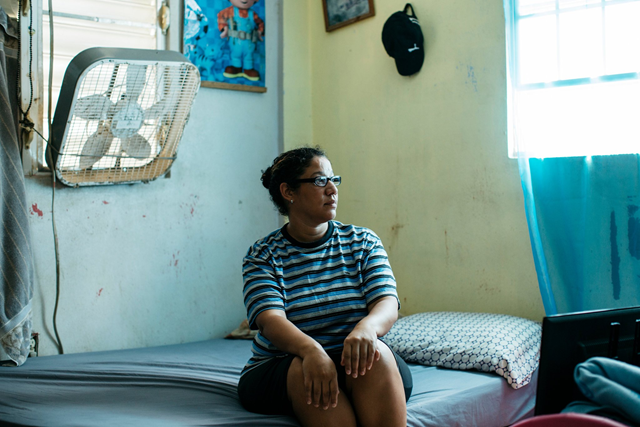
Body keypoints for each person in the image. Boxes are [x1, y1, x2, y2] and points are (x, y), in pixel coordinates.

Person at [238, 147, 412, 427]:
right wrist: (311, 351)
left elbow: (387, 303)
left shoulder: (362, 242)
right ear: (288, 192)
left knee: (375, 354)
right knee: (302, 369)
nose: (332, 189)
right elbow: (270, 321)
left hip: (355, 362)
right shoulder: (263, 255)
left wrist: (366, 329)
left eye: (334, 180)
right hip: (285, 364)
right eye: (320, 181)